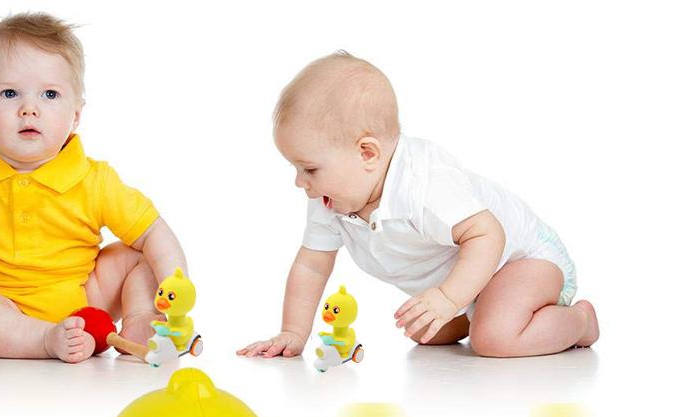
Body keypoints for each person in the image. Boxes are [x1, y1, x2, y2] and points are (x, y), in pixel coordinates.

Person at [238, 52, 598, 359]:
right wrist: (293, 333)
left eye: (309, 169)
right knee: (427, 333)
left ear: (367, 153)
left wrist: (447, 297)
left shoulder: (425, 183)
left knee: (493, 338)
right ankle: (478, 310)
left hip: (523, 260)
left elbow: (488, 235)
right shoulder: (331, 199)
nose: (300, 182)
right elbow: (312, 266)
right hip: (474, 280)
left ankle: (581, 322)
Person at [0, 12, 186, 362]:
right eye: (9, 93)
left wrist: (176, 286)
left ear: (76, 114)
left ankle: (140, 323)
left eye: (50, 94)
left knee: (138, 257)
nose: (29, 109)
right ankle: (42, 340)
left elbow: (153, 230)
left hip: (84, 299)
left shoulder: (94, 179)